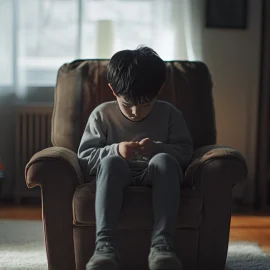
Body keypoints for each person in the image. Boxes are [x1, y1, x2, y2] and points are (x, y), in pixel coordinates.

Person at [77, 46, 193, 270]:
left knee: (164, 161)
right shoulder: (102, 114)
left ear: (159, 89)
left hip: (156, 173)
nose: (135, 112)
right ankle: (105, 247)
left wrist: (158, 148)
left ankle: (162, 246)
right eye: (127, 104)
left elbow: (186, 152)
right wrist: (116, 150)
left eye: (145, 104)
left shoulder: (169, 114)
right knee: (111, 162)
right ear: (112, 90)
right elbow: (85, 158)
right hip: (117, 173)